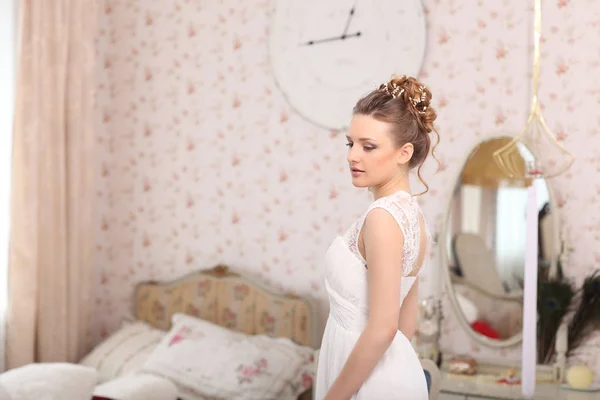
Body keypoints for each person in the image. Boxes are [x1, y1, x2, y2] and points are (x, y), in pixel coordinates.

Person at [314, 75, 439, 400]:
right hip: (387, 373)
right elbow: (406, 323)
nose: (352, 156)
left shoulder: (382, 218)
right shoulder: (414, 217)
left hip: (367, 383)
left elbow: (385, 328)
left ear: (404, 153)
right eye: (350, 143)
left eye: (368, 146)